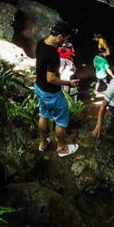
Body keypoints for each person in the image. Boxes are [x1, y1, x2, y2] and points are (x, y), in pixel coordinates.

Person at [34, 21, 81, 157]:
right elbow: (51, 78)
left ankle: (43, 143)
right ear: (60, 37)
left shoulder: (40, 43)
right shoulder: (53, 54)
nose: (65, 41)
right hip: (51, 93)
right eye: (65, 38)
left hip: (39, 87)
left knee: (44, 115)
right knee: (60, 120)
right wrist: (68, 83)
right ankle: (61, 147)